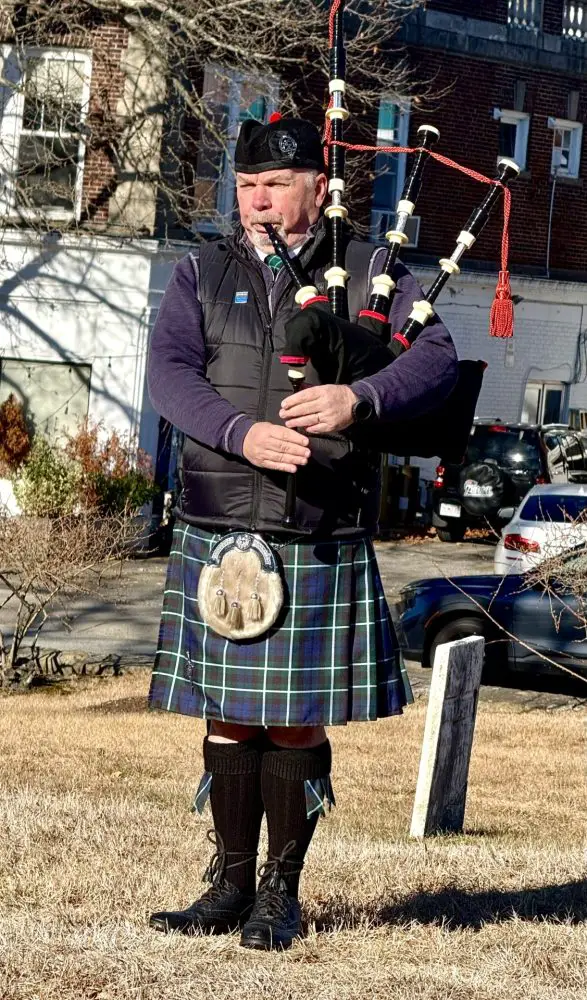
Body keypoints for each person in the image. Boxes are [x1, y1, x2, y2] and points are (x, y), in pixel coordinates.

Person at [146, 115, 458, 951]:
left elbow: (433, 359)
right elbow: (169, 376)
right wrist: (239, 433)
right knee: (225, 717)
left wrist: (359, 399)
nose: (257, 201)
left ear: (319, 187)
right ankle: (229, 883)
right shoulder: (201, 271)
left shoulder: (368, 269)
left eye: (276, 185)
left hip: (315, 524)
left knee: (289, 720)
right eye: (246, 185)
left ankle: (280, 893)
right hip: (217, 522)